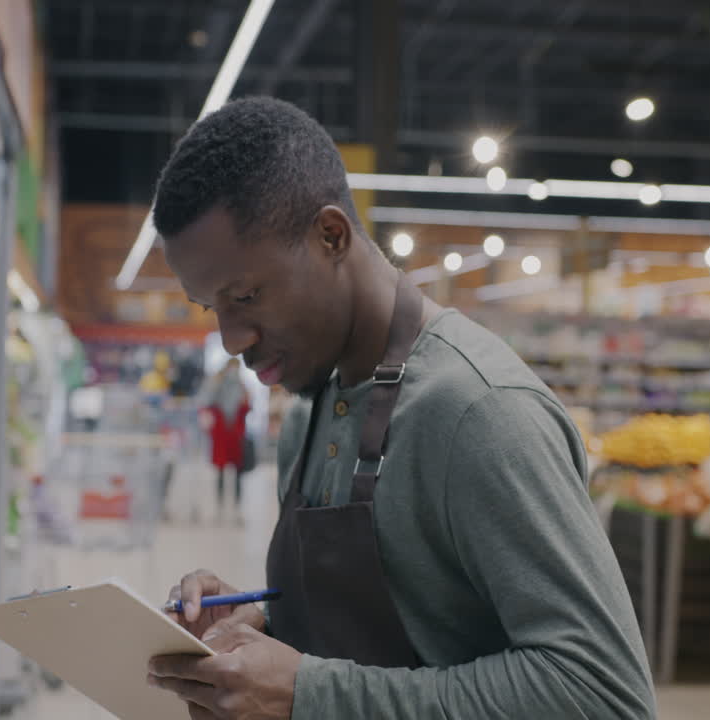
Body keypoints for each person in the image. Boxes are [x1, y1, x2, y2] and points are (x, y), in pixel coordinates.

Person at [145, 97, 655, 719]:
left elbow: (604, 695)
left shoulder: (478, 413)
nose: (231, 339)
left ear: (330, 235)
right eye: (211, 307)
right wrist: (264, 629)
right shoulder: (311, 410)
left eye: (246, 295)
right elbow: (414, 629)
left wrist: (308, 692)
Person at [199, 357, 252, 524]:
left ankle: (236, 509)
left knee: (238, 473)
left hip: (236, 435)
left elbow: (247, 408)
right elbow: (207, 404)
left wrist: (245, 401)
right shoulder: (216, 385)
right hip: (222, 435)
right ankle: (219, 508)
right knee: (221, 472)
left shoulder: (242, 387)